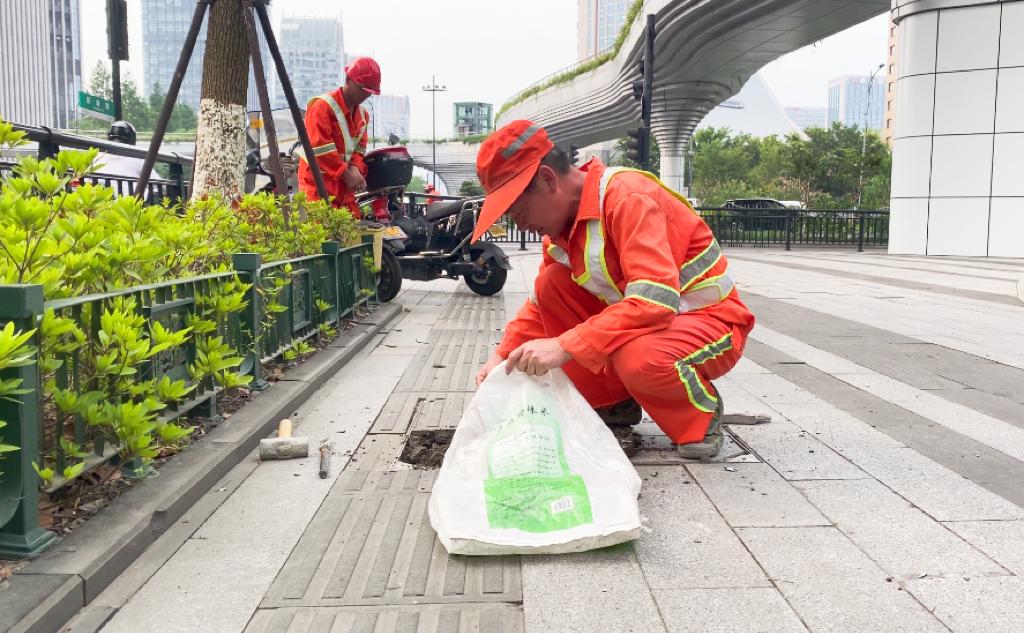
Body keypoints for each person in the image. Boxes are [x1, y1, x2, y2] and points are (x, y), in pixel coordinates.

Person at [472, 120, 755, 458]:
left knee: (638, 358)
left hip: (712, 321)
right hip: (658, 324)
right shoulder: (561, 234)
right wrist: (501, 356)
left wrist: (564, 345)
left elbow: (654, 301)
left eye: (518, 211)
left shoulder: (628, 198)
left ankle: (700, 415)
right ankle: (613, 403)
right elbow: (537, 305)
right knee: (551, 285)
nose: (520, 225)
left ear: (547, 179)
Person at [297, 56, 380, 218]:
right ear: (348, 80)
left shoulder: (363, 116)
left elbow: (359, 150)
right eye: (363, 89)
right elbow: (320, 149)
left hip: (344, 188)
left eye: (370, 92)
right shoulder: (322, 107)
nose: (366, 95)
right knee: (322, 229)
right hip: (318, 185)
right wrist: (346, 174)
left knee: (352, 228)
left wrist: (355, 169)